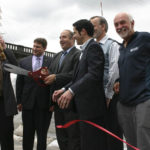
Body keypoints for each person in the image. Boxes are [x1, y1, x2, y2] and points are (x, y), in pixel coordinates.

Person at [53, 19, 107, 150]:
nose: (74, 36)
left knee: (91, 144)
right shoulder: (85, 50)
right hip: (83, 109)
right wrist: (64, 89)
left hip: (91, 109)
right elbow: (78, 78)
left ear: (83, 32)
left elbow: (94, 75)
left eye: (75, 32)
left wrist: (71, 91)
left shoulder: (94, 47)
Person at [114, 12, 150, 150]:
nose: (119, 26)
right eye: (116, 24)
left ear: (132, 23)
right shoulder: (122, 47)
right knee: (130, 145)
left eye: (123, 22)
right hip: (124, 104)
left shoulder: (144, 38)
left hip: (143, 101)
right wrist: (118, 80)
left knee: (144, 144)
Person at [44, 30, 80, 150]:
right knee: (61, 136)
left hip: (72, 104)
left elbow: (76, 75)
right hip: (57, 104)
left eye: (64, 37)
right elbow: (51, 75)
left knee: (73, 136)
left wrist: (56, 77)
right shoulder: (57, 55)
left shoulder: (78, 54)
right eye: (60, 37)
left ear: (72, 39)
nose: (61, 40)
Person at [90, 16, 123, 150]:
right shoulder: (91, 47)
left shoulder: (113, 45)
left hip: (109, 98)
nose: (90, 28)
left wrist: (108, 95)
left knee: (112, 134)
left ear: (103, 26)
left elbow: (114, 71)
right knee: (97, 135)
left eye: (93, 25)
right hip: (95, 98)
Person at [16, 38, 52, 150]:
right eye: (34, 46)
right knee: (27, 134)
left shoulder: (51, 62)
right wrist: (19, 101)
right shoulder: (23, 62)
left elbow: (53, 84)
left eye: (38, 47)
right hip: (27, 104)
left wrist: (52, 103)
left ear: (44, 48)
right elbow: (19, 82)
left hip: (44, 105)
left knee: (42, 135)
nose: (35, 49)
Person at [0, 36, 18, 150]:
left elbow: (16, 67)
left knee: (6, 132)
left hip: (4, 102)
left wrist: (5, 48)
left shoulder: (5, 60)